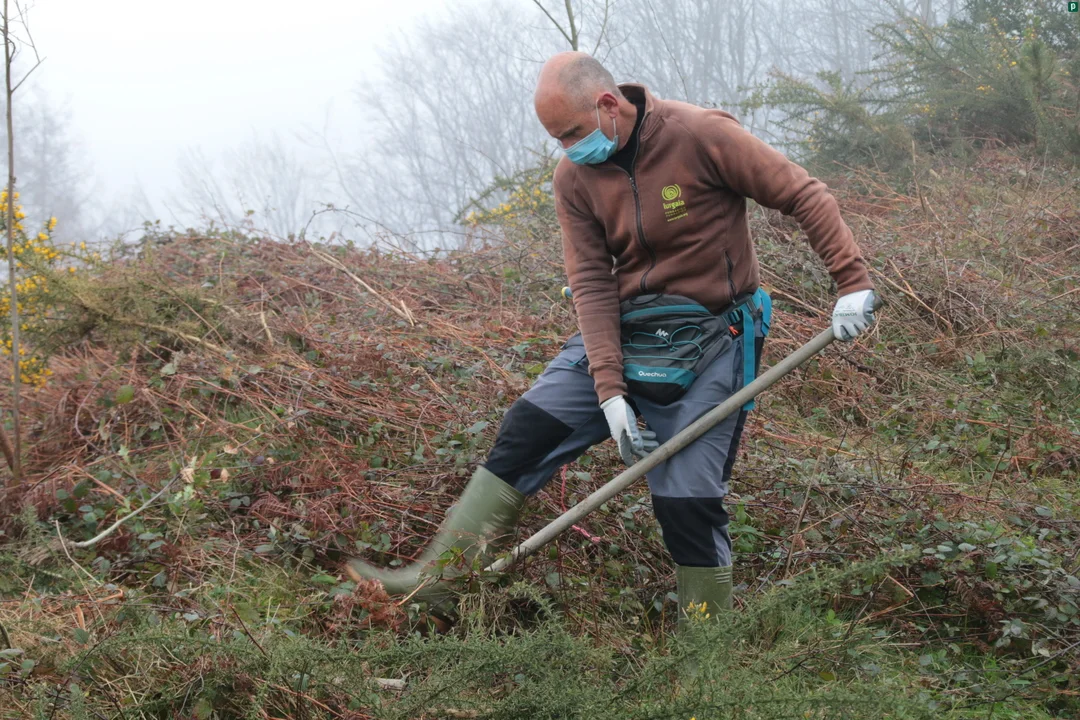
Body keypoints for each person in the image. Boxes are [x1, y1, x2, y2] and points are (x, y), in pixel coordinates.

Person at [347, 52, 877, 629]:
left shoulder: (700, 135)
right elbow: (592, 283)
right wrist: (609, 391)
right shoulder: (573, 176)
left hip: (716, 334)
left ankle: (707, 650)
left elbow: (804, 194)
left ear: (607, 104)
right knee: (527, 430)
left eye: (572, 133)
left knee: (687, 501)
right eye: (556, 139)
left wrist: (852, 283)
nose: (567, 149)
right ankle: (437, 585)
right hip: (624, 327)